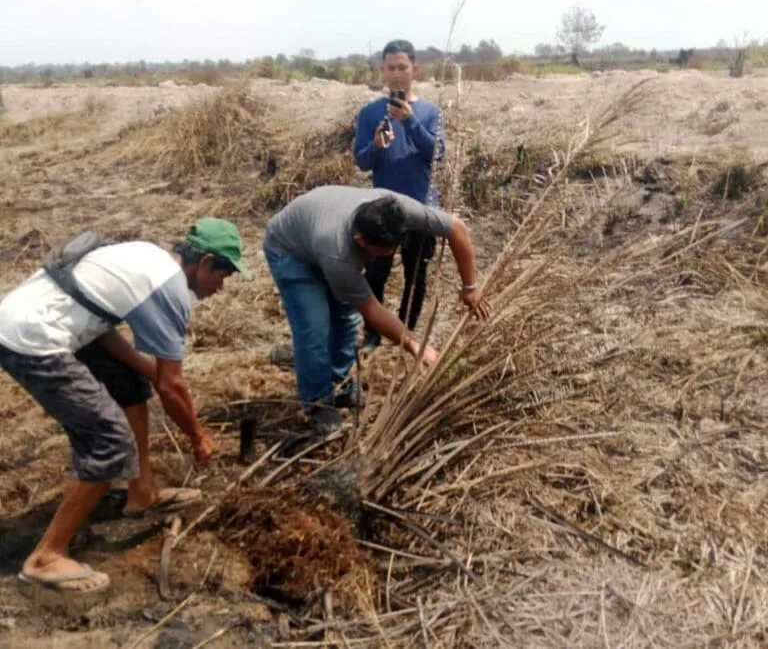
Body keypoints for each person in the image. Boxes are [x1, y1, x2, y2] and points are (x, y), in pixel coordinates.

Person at [0, 217, 251, 598]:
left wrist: (146, 371)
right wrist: (198, 437)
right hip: (33, 339)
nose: (221, 287)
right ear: (204, 264)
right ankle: (46, 557)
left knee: (130, 386)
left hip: (37, 318)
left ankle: (142, 492)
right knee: (109, 442)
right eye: (224, 275)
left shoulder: (150, 256)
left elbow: (100, 323)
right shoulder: (171, 291)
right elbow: (173, 385)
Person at [263, 185, 491, 435]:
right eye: (383, 252)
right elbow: (371, 310)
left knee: (345, 320)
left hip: (317, 226)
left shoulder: (395, 208)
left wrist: (470, 287)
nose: (389, 256)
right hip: (290, 251)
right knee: (315, 327)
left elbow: (456, 228)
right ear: (360, 240)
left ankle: (339, 384)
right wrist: (415, 345)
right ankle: (318, 403)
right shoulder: (339, 254)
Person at [354, 39, 446, 352]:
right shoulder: (369, 114)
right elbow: (362, 161)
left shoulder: (430, 112)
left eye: (402, 67)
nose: (396, 74)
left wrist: (411, 121)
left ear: (414, 70)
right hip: (383, 207)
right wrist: (377, 146)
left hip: (421, 206)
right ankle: (374, 333)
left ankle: (406, 333)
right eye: (390, 68)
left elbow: (438, 154)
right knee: (375, 273)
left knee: (415, 275)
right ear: (382, 71)